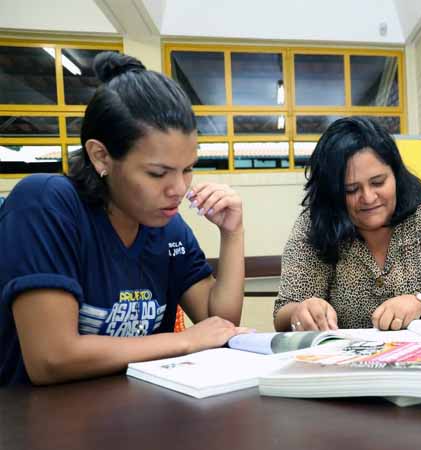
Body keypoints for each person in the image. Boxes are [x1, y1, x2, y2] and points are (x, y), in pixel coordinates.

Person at [0, 52, 248, 385]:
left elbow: (218, 324)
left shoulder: (168, 226)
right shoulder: (46, 205)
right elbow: (51, 357)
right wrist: (184, 341)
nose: (178, 189)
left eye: (187, 169)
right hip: (42, 425)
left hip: (137, 416)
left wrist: (233, 233)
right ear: (100, 156)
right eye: (158, 173)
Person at [273, 117, 421, 332]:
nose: (368, 197)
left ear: (396, 175)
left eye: (378, 182)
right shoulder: (313, 226)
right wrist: (301, 311)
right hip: (348, 371)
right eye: (351, 190)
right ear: (332, 194)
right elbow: (283, 313)